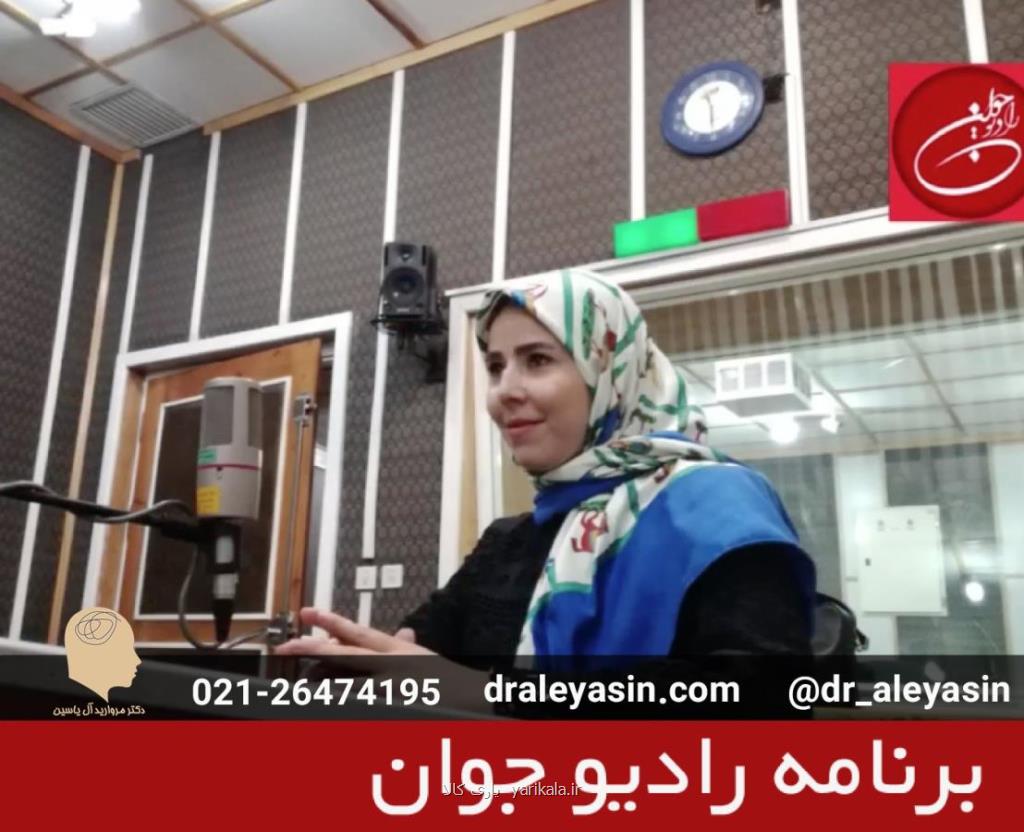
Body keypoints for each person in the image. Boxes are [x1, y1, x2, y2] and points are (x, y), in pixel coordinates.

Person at [275, 268, 817, 713]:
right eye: (495, 367)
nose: (504, 392)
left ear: (610, 372)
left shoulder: (719, 508)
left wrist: (481, 693)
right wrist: (366, 666)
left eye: (537, 360)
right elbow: (425, 643)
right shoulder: (510, 540)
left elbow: (760, 699)